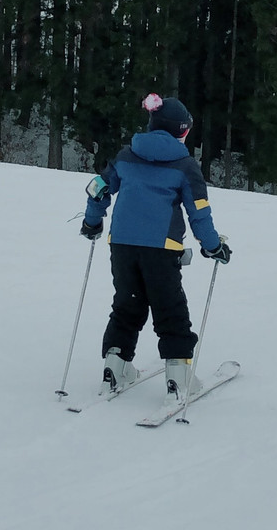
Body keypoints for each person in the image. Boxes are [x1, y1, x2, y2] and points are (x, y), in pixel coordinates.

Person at [80, 93, 232, 403]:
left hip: (121, 244)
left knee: (127, 304)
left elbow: (98, 188)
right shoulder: (185, 165)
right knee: (170, 309)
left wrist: (92, 223)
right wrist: (213, 246)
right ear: (181, 131)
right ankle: (178, 379)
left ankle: (115, 368)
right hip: (161, 249)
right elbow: (199, 211)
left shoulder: (125, 155)